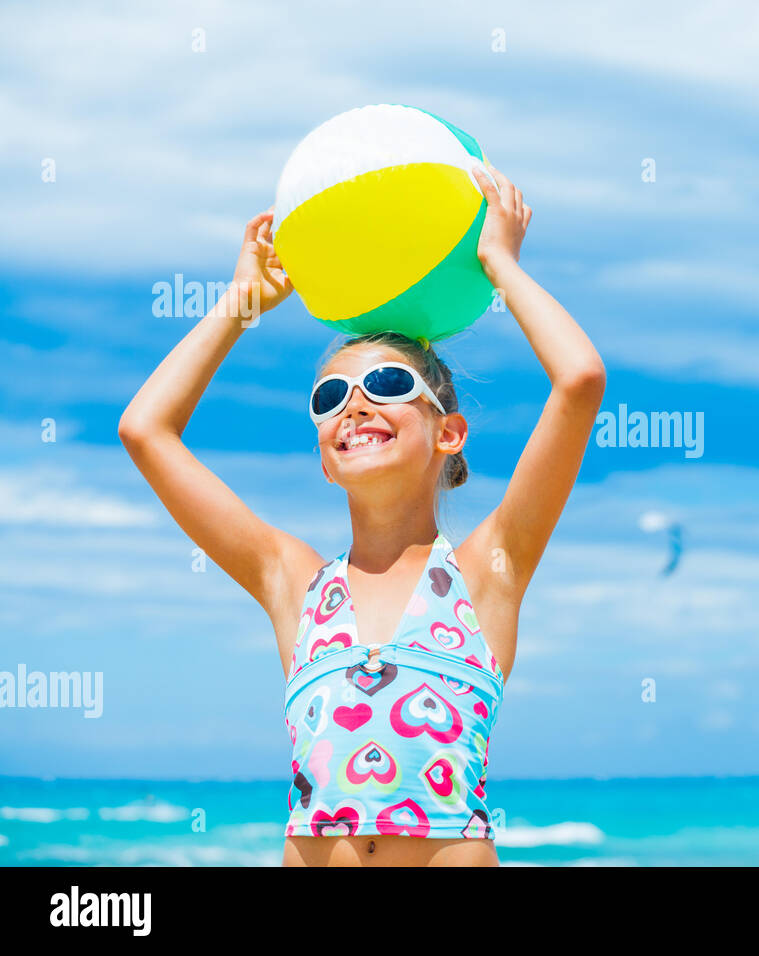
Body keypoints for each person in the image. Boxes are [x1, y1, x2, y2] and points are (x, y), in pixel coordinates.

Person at [119, 163, 605, 866]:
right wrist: (241, 304)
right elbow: (146, 431)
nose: (353, 403)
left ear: (448, 433)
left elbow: (580, 380)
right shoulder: (294, 584)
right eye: (329, 397)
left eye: (386, 384)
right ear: (324, 456)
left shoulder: (488, 570)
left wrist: (498, 262)